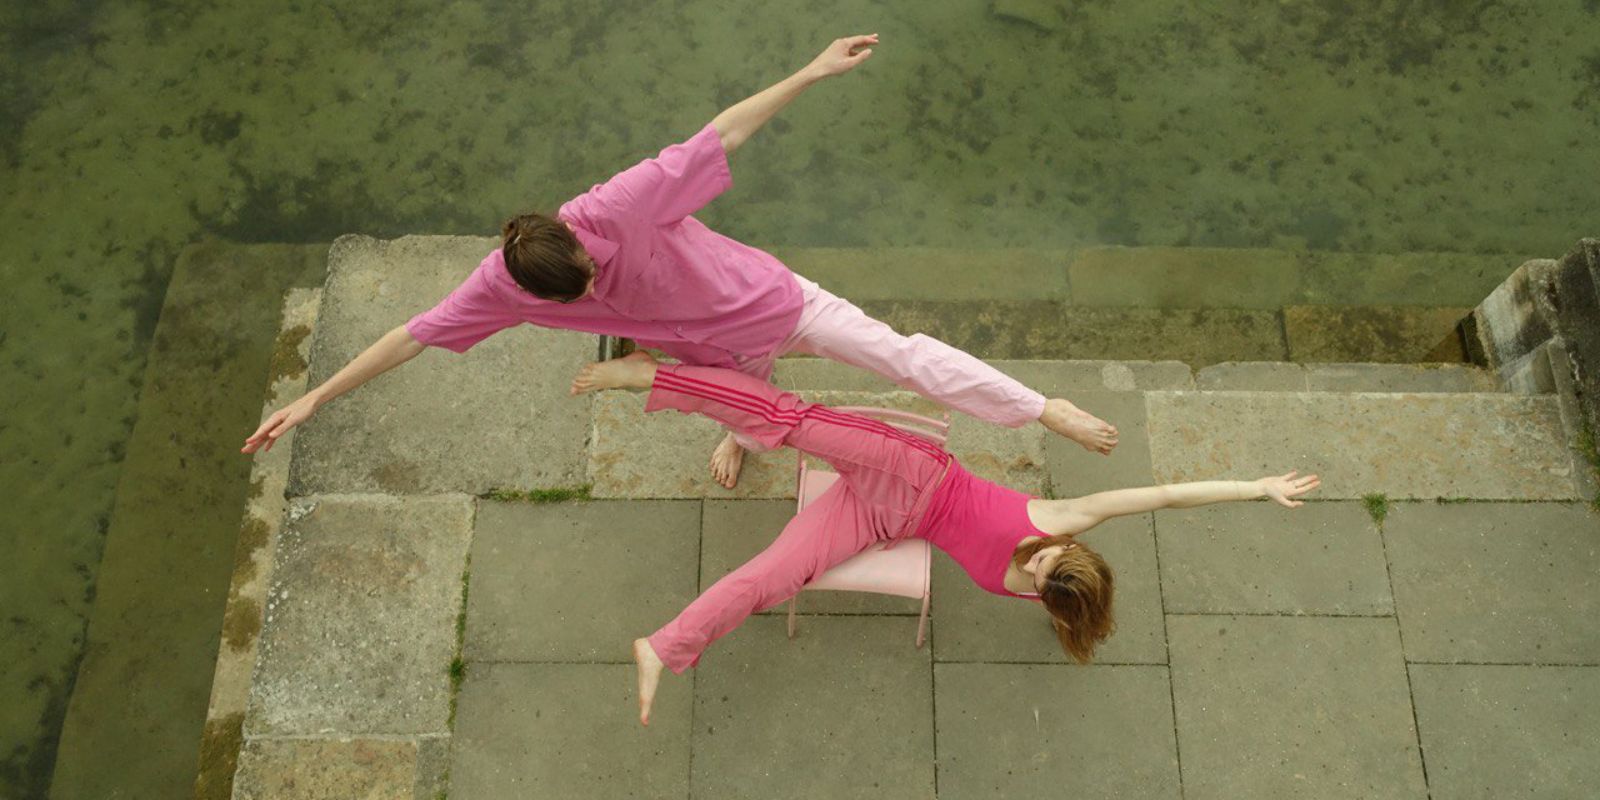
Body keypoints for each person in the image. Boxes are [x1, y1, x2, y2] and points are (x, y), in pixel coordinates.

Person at [241, 34, 1120, 487]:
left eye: (591, 270)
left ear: (574, 234)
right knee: (741, 410)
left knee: (899, 354)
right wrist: (315, 396)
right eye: (583, 292)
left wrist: (810, 71)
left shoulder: (615, 206)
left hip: (776, 301)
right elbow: (411, 335)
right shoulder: (501, 288)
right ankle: (742, 436)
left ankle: (1043, 408)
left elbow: (725, 130)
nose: (598, 283)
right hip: (706, 355)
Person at [569, 351, 1320, 725]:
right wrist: (1255, 487)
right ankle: (654, 376)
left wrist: (1066, 604)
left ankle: (663, 646)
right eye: (1057, 559)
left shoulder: (1056, 598)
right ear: (1075, 549)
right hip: (908, 466)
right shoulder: (1062, 521)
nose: (1043, 560)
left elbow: (1068, 603)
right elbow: (1159, 495)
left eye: (1048, 574)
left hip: (888, 518)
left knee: (772, 578)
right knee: (789, 419)